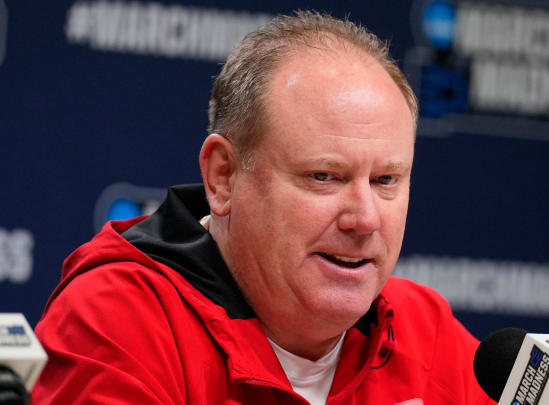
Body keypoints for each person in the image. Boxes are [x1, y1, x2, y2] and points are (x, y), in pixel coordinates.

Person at [32, 11, 494, 405]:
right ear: (223, 177)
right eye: (324, 177)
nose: (365, 219)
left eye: (385, 180)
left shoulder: (422, 329)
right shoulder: (120, 319)